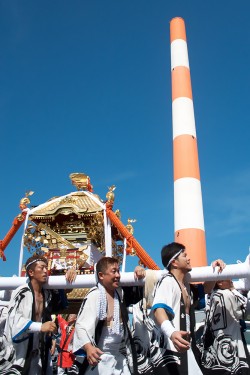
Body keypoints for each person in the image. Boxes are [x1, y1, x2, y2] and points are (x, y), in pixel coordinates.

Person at [150, 242, 225, 375]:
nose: (189, 258)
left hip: (186, 348)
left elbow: (206, 289)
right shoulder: (167, 281)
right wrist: (172, 332)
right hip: (170, 351)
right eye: (185, 256)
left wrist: (214, 269)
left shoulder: (186, 286)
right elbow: (158, 309)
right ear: (175, 262)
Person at [2, 254, 76, 375]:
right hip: (19, 355)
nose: (45, 271)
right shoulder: (22, 292)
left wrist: (69, 274)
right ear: (31, 272)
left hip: (40, 355)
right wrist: (40, 327)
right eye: (41, 268)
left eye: (46, 267)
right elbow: (14, 321)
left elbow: (61, 299)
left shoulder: (46, 295)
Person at [72, 256, 145, 375]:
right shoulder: (94, 296)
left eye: (118, 270)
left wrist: (138, 270)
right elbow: (81, 326)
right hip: (100, 357)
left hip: (120, 358)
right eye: (113, 271)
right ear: (101, 275)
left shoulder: (120, 293)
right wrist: (89, 348)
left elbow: (139, 294)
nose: (118, 275)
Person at [199, 279, 250, 375]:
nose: (231, 281)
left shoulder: (212, 296)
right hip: (232, 345)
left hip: (214, 346)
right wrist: (233, 289)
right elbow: (246, 309)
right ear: (220, 282)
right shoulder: (227, 294)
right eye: (228, 278)